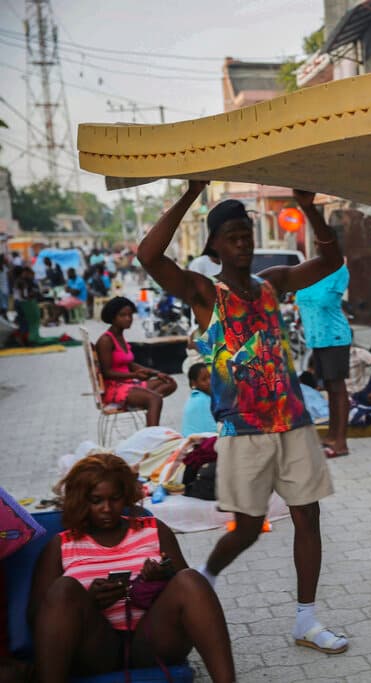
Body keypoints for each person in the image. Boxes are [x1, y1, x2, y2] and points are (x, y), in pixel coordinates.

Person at [137, 181, 348, 655]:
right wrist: (193, 193)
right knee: (248, 526)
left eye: (246, 232)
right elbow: (148, 256)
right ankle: (204, 581)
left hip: (291, 423)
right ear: (213, 245)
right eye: (232, 234)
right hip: (242, 431)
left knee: (308, 516)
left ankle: (306, 619)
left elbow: (332, 261)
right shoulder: (203, 293)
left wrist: (309, 209)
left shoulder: (272, 284)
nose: (243, 241)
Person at [29, 453, 235, 682]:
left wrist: (162, 578)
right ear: (82, 500)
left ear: (125, 496)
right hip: (95, 648)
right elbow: (38, 615)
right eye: (96, 500)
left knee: (190, 579)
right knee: (63, 589)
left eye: (114, 498)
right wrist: (89, 601)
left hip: (152, 640)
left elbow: (189, 600)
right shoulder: (62, 545)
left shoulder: (153, 529)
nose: (106, 508)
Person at [294, 262, 351, 457]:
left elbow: (326, 300)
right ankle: (332, 434)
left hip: (334, 337)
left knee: (338, 387)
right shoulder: (310, 272)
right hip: (317, 340)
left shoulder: (338, 271)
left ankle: (341, 441)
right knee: (328, 386)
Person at [95, 296, 178, 426]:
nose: (128, 318)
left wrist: (156, 373)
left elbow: (130, 364)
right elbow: (107, 372)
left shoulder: (120, 336)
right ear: (112, 317)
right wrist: (134, 375)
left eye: (130, 315)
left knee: (170, 383)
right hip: (115, 387)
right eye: (123, 315)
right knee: (155, 399)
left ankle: (146, 402)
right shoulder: (106, 340)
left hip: (130, 382)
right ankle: (152, 438)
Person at [182, 363, 218, 436]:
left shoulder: (199, 396)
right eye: (204, 379)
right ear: (194, 383)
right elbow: (213, 430)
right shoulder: (201, 400)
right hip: (198, 444)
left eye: (211, 377)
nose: (209, 382)